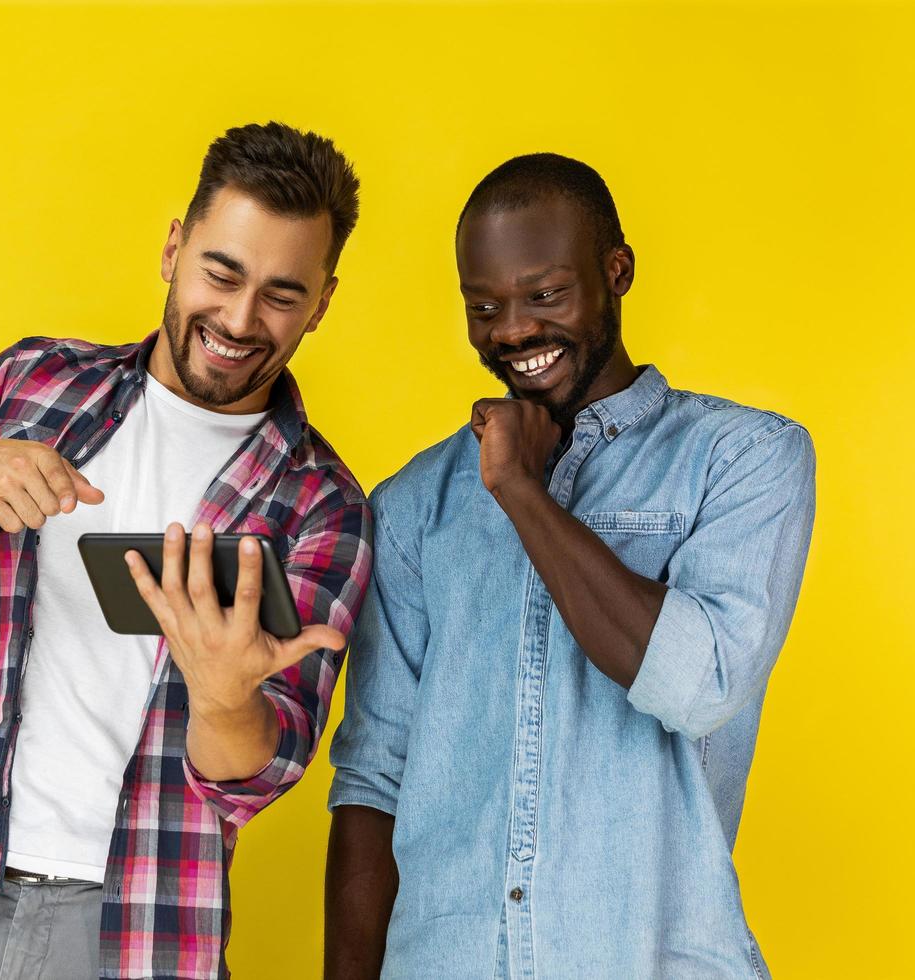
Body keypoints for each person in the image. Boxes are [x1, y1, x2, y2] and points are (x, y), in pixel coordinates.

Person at [0, 121, 372, 980]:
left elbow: (258, 772)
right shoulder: (34, 384)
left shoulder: (322, 502)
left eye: (281, 294)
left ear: (323, 303)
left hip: (138, 930)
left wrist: (222, 698)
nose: (240, 318)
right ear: (174, 248)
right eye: (221, 272)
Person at [325, 153, 815, 979]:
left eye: (544, 294)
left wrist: (521, 490)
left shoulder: (744, 459)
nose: (511, 330)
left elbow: (700, 685)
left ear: (615, 272)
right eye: (483, 306)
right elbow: (374, 780)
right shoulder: (412, 506)